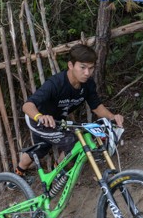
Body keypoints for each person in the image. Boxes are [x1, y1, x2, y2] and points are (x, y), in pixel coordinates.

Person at [15, 43, 124, 177]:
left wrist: (113, 117)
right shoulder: (56, 83)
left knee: (41, 148)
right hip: (37, 119)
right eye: (82, 67)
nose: (87, 73)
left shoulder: (88, 84)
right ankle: (50, 173)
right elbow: (27, 106)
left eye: (91, 68)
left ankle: (26, 172)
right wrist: (40, 117)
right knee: (71, 141)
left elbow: (96, 107)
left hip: (57, 121)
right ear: (71, 65)